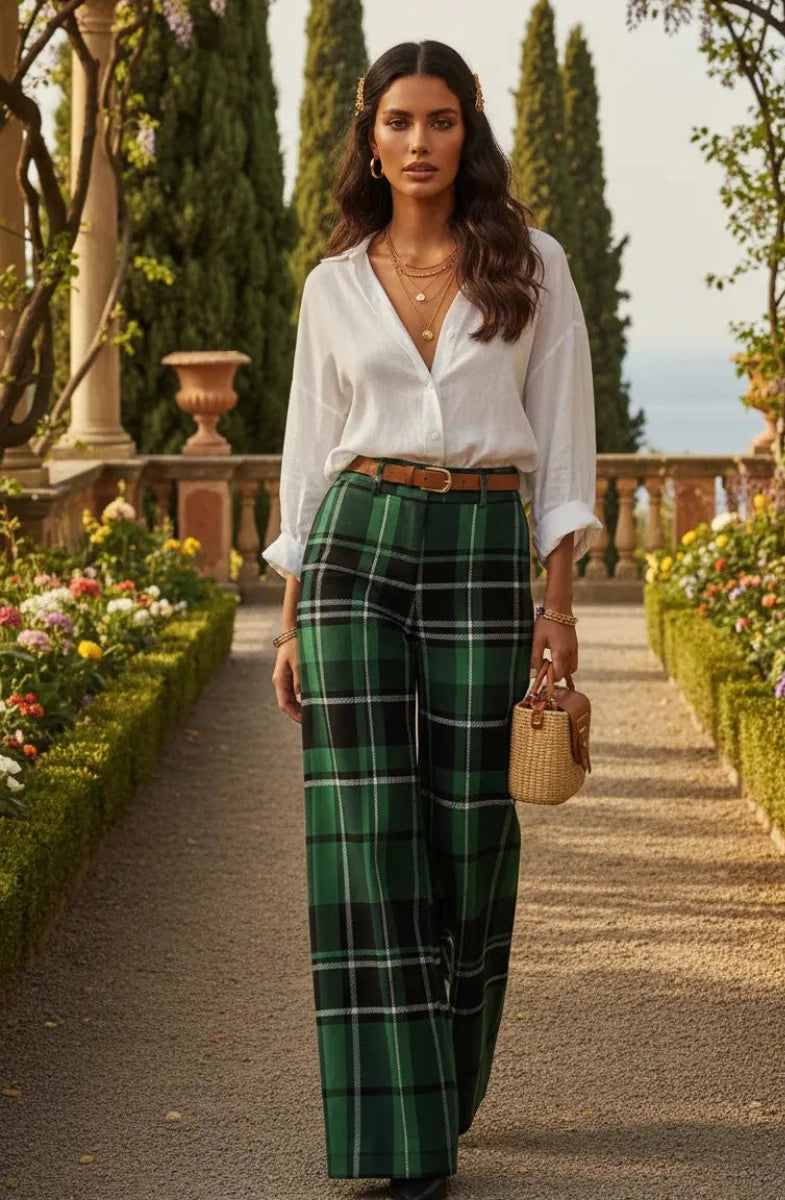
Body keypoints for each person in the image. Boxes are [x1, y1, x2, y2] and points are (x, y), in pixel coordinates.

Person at [265, 39, 602, 1200]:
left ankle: (439, 1084)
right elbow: (308, 453)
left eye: (441, 120)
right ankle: (398, 1140)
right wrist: (290, 616)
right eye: (399, 121)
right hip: (354, 544)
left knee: (469, 831)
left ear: (469, 132)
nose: (419, 142)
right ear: (368, 137)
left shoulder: (531, 264)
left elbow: (564, 439)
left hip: (479, 541)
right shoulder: (331, 285)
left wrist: (557, 605)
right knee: (361, 834)